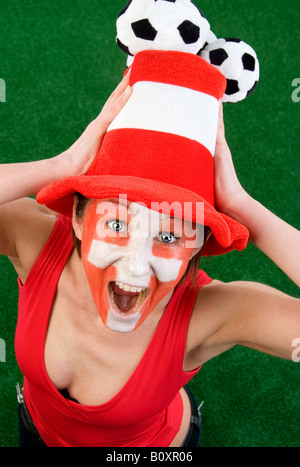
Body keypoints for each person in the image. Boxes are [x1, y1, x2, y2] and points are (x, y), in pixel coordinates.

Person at [0, 57, 299, 447]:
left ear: (197, 247)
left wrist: (242, 206)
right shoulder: (37, 243)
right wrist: (63, 164)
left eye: (171, 237)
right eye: (118, 225)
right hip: (37, 431)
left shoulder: (206, 315)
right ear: (77, 216)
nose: (136, 264)